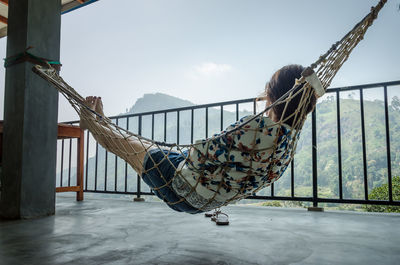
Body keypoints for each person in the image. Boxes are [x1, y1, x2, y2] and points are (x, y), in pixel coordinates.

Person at [80, 64, 317, 215]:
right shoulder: (289, 139)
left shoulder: (257, 127)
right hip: (203, 193)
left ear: (273, 95)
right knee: (139, 147)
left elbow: (204, 150)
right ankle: (104, 123)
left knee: (120, 146)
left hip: (183, 185)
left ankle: (91, 122)